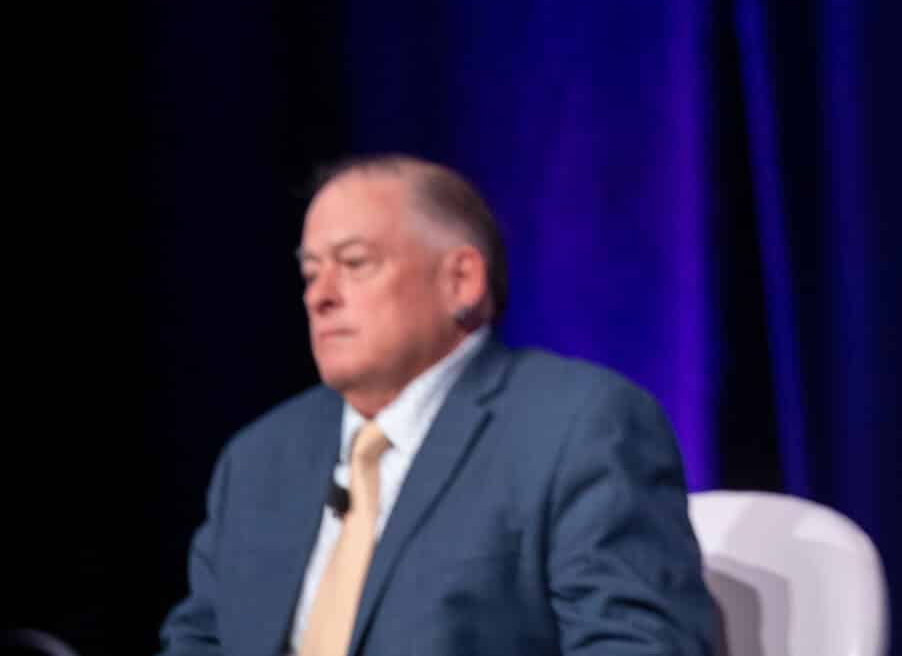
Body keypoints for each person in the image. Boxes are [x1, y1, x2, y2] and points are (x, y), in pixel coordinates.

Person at [158, 155, 716, 655]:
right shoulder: (259, 459)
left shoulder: (578, 427)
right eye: (309, 272)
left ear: (462, 280)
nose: (319, 295)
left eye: (354, 264)